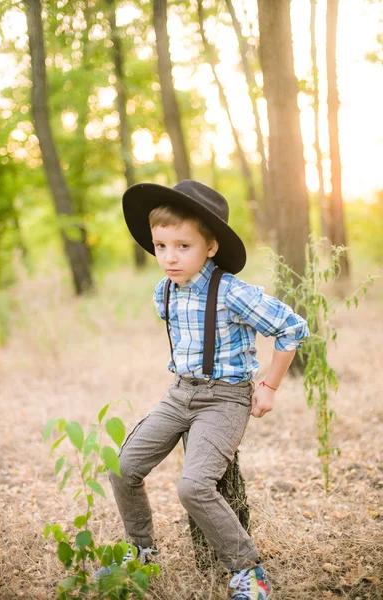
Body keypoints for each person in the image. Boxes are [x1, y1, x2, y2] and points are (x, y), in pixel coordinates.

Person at [100, 180, 309, 600]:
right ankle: (141, 550)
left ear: (210, 247)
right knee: (123, 468)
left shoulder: (233, 292)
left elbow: (292, 328)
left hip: (225, 398)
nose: (169, 257)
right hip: (179, 394)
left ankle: (248, 570)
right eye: (161, 246)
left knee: (193, 486)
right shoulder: (165, 292)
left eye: (183, 246)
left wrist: (268, 385)